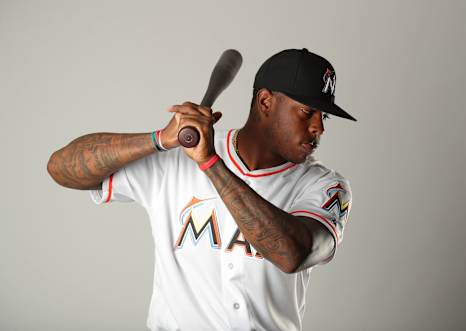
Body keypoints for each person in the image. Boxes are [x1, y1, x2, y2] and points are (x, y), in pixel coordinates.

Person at [47, 48, 356, 331]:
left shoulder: (325, 186)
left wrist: (209, 162)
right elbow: (61, 168)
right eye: (307, 111)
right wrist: (160, 139)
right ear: (265, 102)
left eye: (323, 114)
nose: (320, 127)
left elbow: (292, 254)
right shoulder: (175, 160)